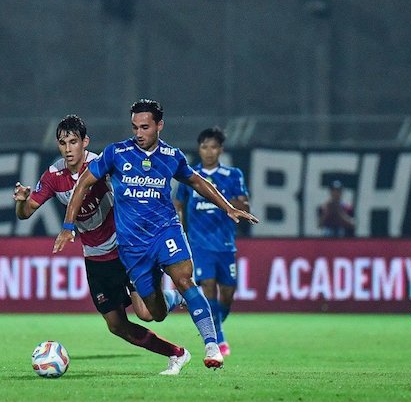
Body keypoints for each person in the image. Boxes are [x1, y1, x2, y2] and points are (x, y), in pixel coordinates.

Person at [53, 99, 259, 370]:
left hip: (166, 231)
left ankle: (212, 345)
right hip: (133, 247)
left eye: (145, 127)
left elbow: (196, 180)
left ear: (159, 125)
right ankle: (173, 299)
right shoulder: (117, 153)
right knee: (154, 314)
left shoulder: (172, 157)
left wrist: (228, 208)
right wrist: (68, 226)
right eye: (135, 127)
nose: (139, 133)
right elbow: (83, 184)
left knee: (185, 278)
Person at [14, 114, 190, 376]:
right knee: (116, 325)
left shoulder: (102, 164)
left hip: (125, 248)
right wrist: (21, 200)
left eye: (73, 142)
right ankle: (177, 354)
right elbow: (25, 213)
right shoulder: (53, 176)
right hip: (96, 257)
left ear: (85, 142)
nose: (68, 148)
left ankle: (172, 296)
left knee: (147, 313)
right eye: (62, 143)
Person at [173, 127, 249, 358]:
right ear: (199, 149)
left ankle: (215, 325)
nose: (208, 151)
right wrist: (180, 229)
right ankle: (218, 340)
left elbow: (243, 205)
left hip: (225, 244)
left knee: (227, 293)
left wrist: (239, 205)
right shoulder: (190, 175)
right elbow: (179, 204)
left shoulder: (233, 175)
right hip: (199, 243)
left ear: (221, 150)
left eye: (213, 146)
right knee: (208, 287)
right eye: (204, 146)